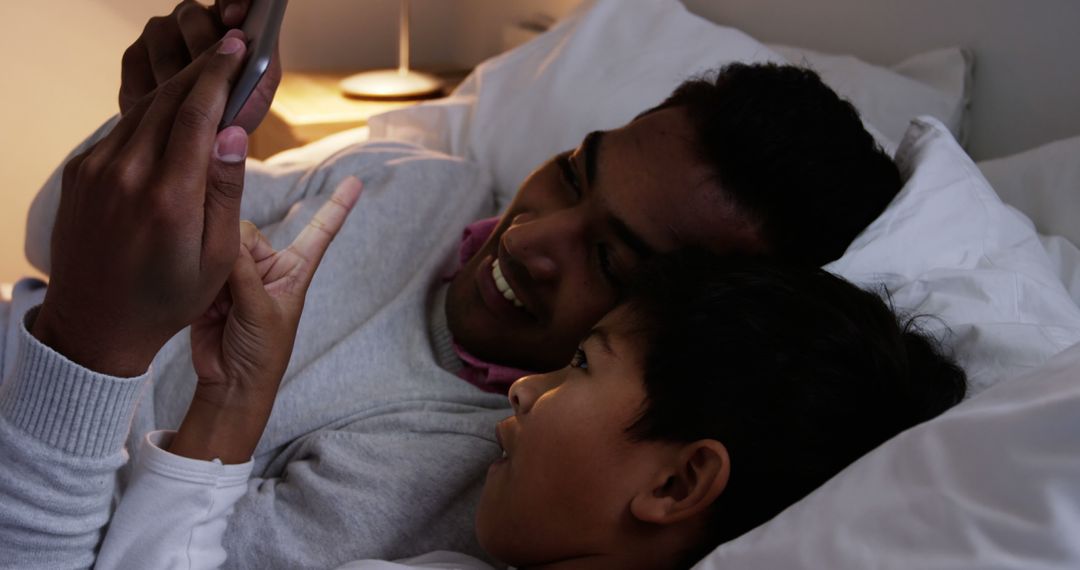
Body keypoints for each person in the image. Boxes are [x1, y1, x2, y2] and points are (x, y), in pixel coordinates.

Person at [5, 1, 906, 567]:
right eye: (574, 172)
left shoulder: (490, 467)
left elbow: (148, 556)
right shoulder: (417, 180)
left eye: (609, 259)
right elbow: (51, 239)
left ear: (689, 322)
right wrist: (148, 136)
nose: (532, 234)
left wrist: (97, 334)